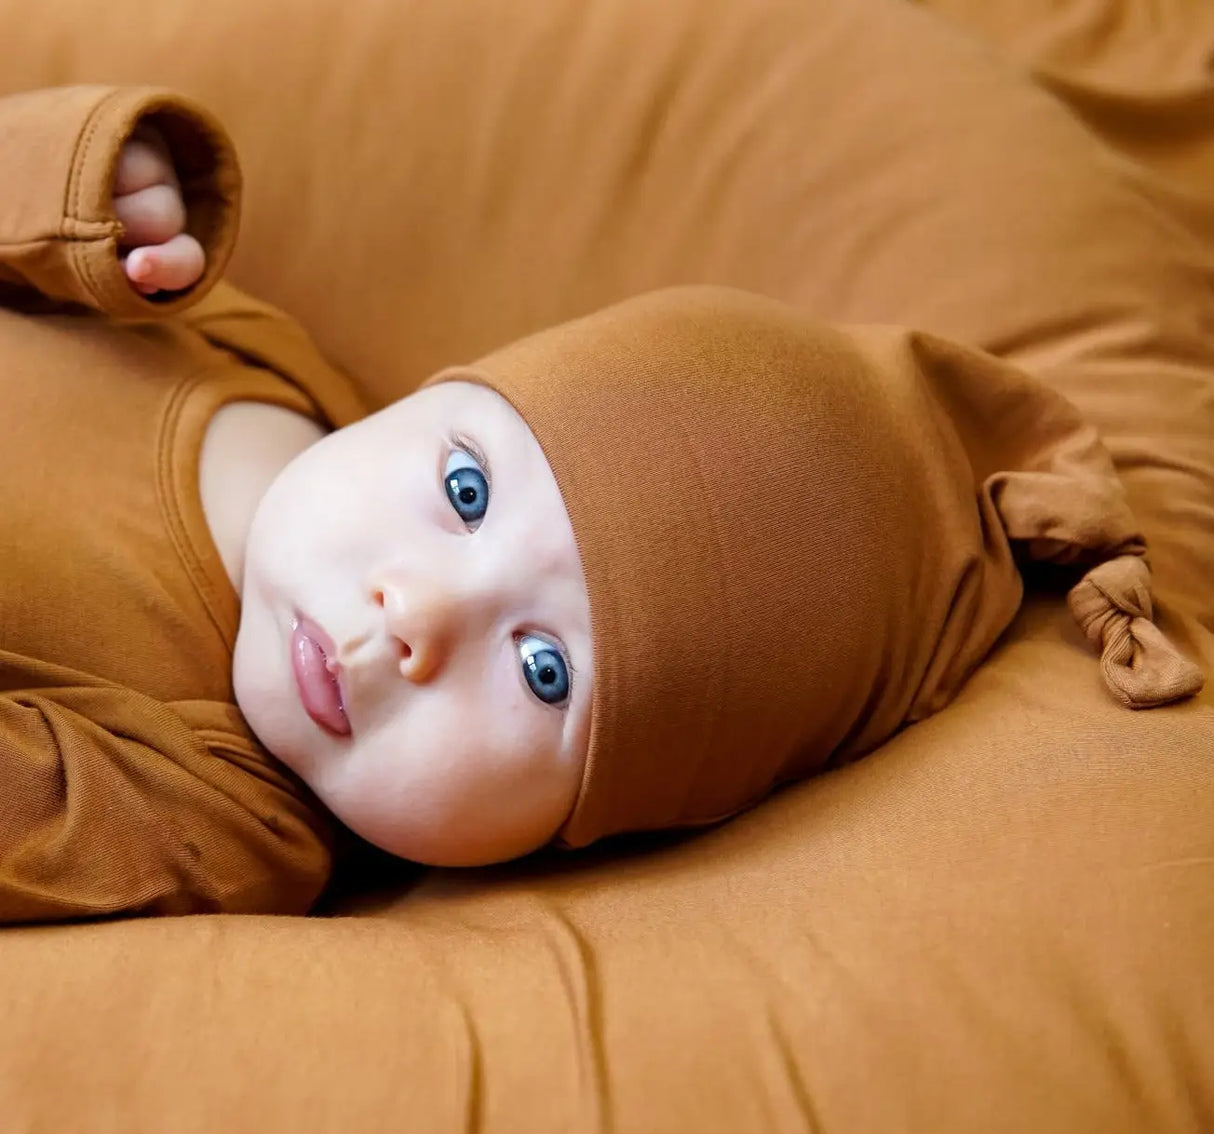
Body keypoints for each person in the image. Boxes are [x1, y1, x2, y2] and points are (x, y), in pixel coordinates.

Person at [0, 85, 1202, 924]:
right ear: (436, 395)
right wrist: (85, 189)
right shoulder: (239, 347)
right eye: (464, 487)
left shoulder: (231, 817)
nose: (418, 611)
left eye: (543, 674)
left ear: (590, 830)